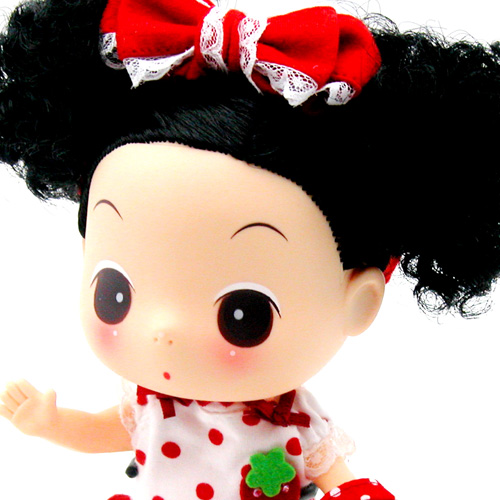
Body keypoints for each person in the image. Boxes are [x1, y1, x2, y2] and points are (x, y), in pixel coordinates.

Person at [1, 0, 500, 498]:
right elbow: (100, 432)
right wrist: (50, 424)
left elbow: (339, 478)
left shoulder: (294, 422)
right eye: (114, 294)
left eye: (244, 315)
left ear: (359, 301)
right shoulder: (149, 405)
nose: (164, 331)